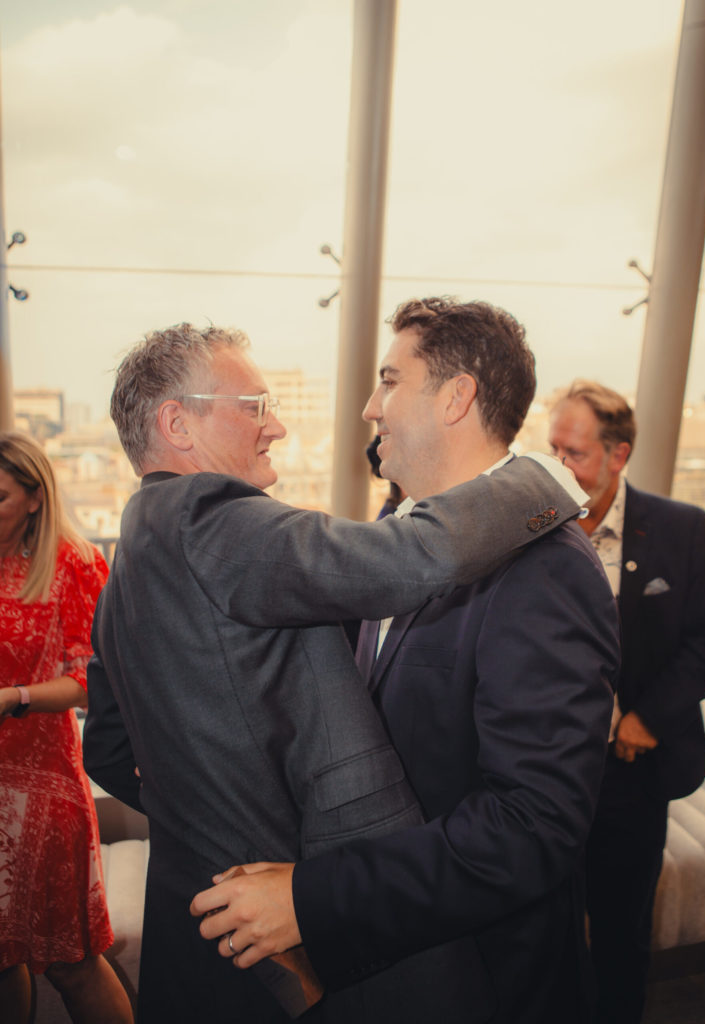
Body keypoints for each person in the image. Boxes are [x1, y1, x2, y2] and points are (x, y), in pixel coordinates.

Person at [82, 321, 585, 1024]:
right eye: (255, 407)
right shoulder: (208, 517)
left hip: (201, 929)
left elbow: (107, 747)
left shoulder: (131, 556)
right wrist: (544, 479)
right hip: (289, 940)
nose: (277, 426)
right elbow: (416, 558)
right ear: (177, 424)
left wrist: (217, 818)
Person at [547, 380, 705, 1024]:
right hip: (544, 774)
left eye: (575, 453)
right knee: (544, 937)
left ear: (618, 455)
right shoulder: (531, 526)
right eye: (553, 449)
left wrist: (649, 717)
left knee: (621, 935)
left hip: (631, 775)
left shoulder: (682, 530)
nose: (560, 466)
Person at [0, 432, 133, 1024]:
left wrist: (15, 698)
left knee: (70, 962)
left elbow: (92, 678)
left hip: (42, 787)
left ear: (35, 497)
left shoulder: (72, 563)